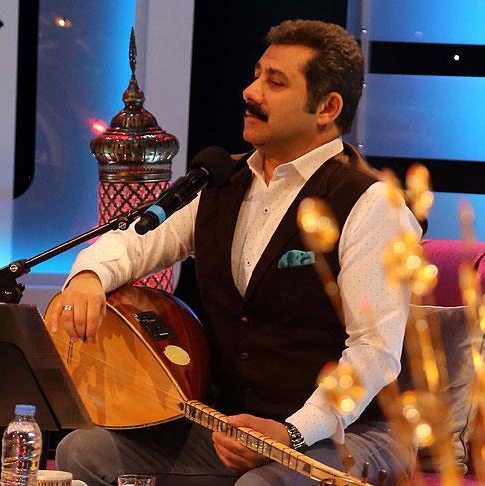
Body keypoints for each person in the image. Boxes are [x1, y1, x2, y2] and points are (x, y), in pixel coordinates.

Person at [47, 19, 421, 486]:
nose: (250, 92)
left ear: (327, 108)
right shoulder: (222, 181)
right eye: (256, 75)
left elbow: (374, 352)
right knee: (83, 452)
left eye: (275, 82)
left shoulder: (371, 204)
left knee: (260, 485)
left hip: (353, 431)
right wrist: (88, 276)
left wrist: (292, 432)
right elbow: (134, 240)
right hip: (232, 426)